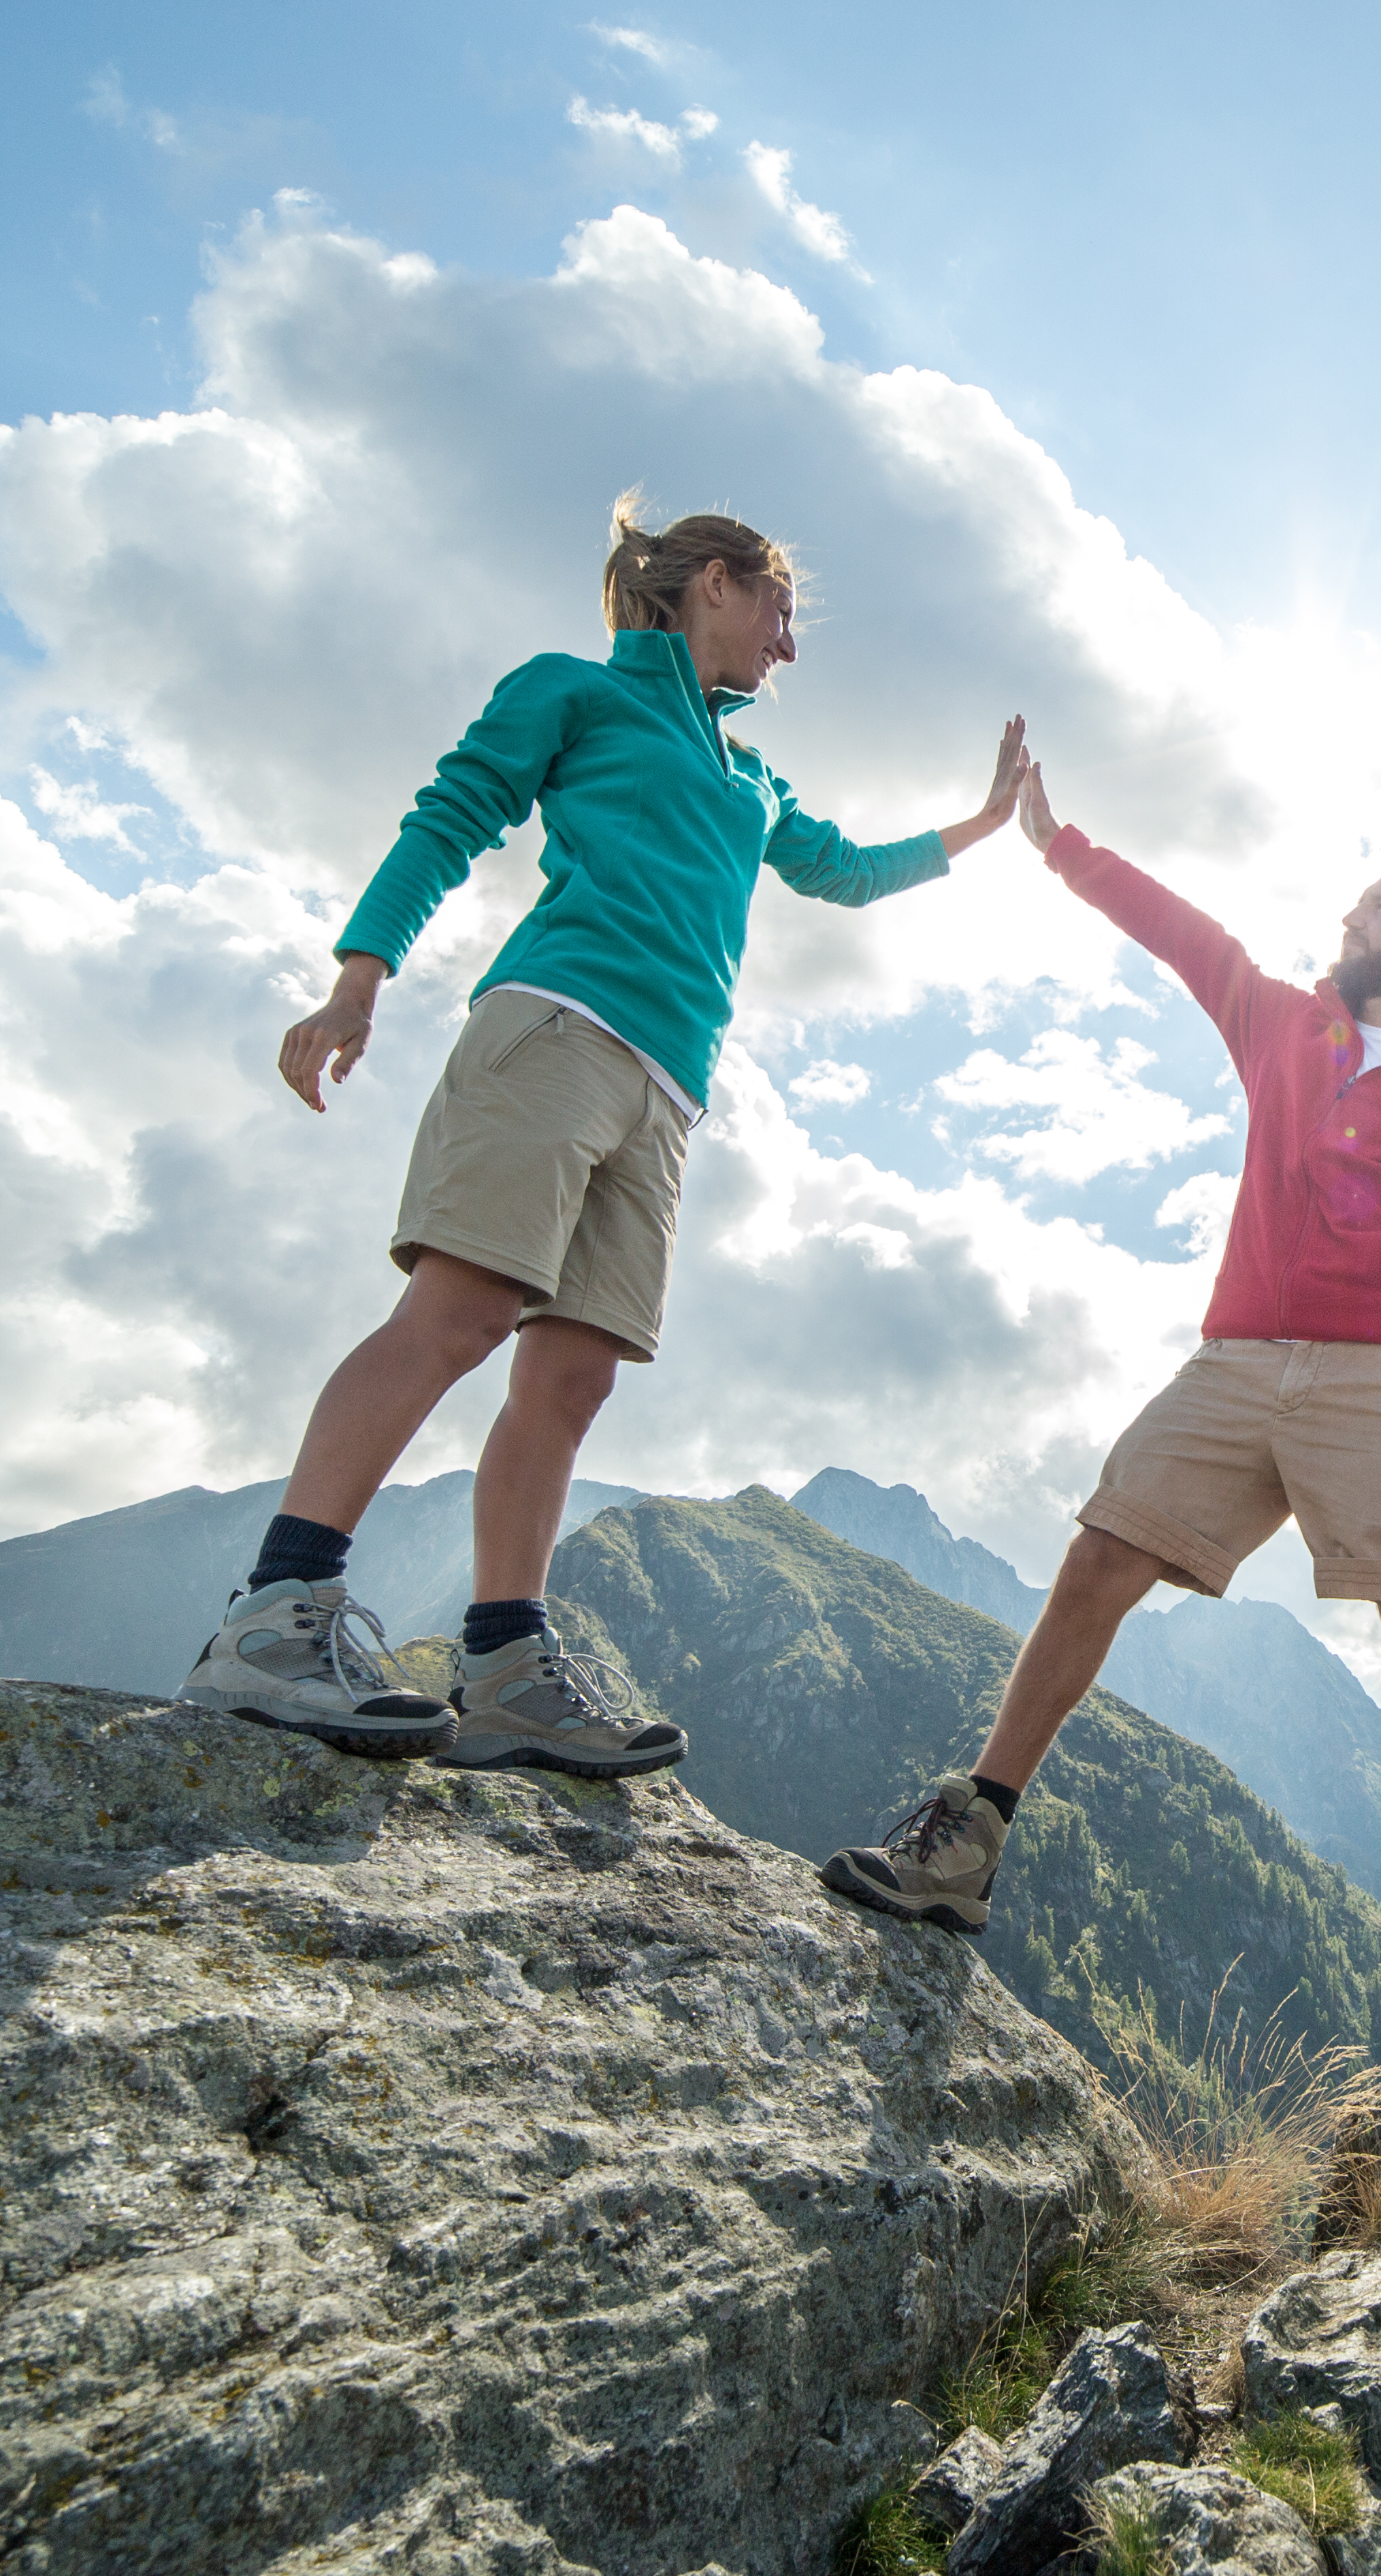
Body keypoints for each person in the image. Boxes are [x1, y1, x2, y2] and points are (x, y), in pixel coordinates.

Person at [178, 499, 1026, 1780]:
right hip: (557, 1030)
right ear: (720, 587)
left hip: (666, 1090)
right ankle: (274, 1617)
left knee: (573, 1380)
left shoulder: (752, 776)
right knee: (458, 1317)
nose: (789, 651)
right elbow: (451, 816)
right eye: (783, 614)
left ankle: (507, 1672)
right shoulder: (572, 691)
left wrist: (981, 826)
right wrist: (361, 976)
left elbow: (841, 873)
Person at [820, 766, 1381, 2024]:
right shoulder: (1287, 1025)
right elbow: (1185, 935)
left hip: (1380, 1378)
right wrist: (1059, 846)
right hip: (1236, 1361)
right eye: (1362, 899)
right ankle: (966, 1845)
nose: (1354, 916)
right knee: (1095, 1563)